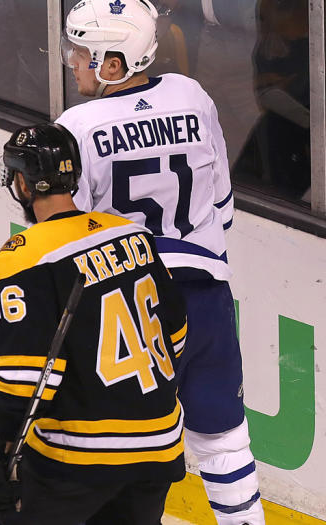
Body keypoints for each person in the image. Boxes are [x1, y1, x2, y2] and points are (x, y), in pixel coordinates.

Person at [55, 1, 265, 523]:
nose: (71, 61)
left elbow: (62, 238)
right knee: (224, 446)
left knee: (120, 454)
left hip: (127, 309)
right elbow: (223, 205)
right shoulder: (191, 96)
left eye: (82, 52)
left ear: (113, 62)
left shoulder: (77, 126)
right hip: (207, 296)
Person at [0, 122, 187, 524]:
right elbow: (175, 334)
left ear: (22, 183)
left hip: (80, 455)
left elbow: (25, 380)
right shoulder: (133, 234)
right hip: (159, 446)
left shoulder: (25, 255)